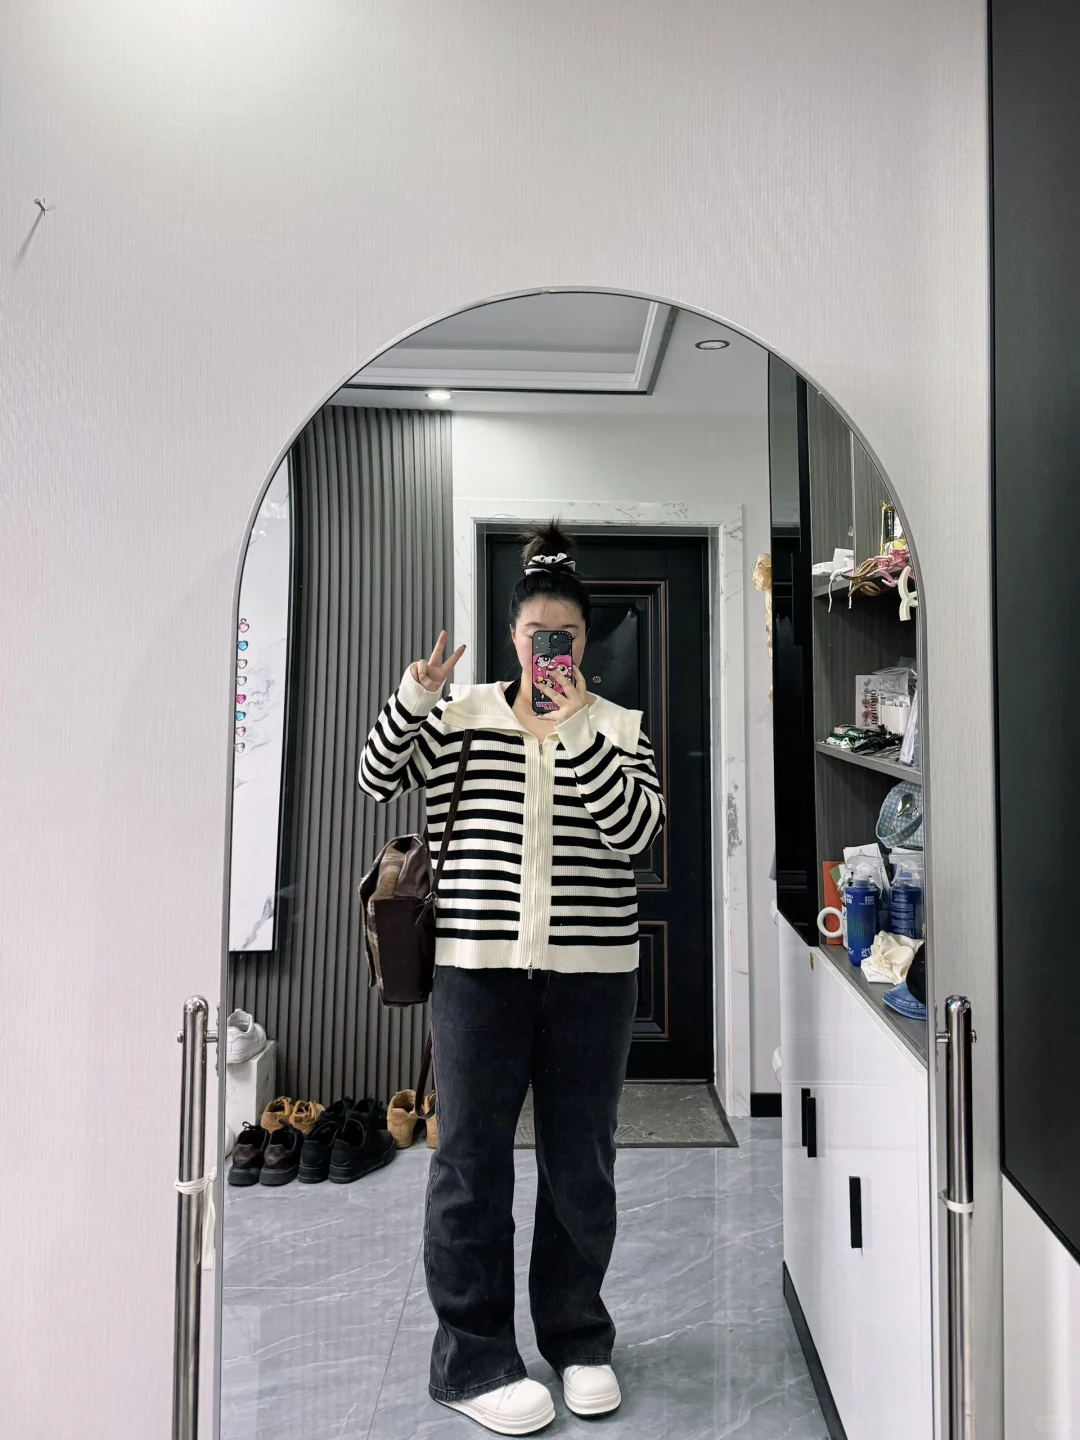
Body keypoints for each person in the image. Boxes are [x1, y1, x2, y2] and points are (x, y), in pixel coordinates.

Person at [358, 522, 666, 1435]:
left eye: (564, 637)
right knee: (469, 1165)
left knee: (582, 1165)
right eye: (536, 636)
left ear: (585, 640)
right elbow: (376, 778)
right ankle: (473, 1359)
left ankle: (577, 1339)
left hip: (592, 980)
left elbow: (635, 836)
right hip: (476, 975)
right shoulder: (459, 718)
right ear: (513, 638)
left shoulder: (619, 729)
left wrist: (577, 730)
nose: (549, 651)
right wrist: (415, 695)